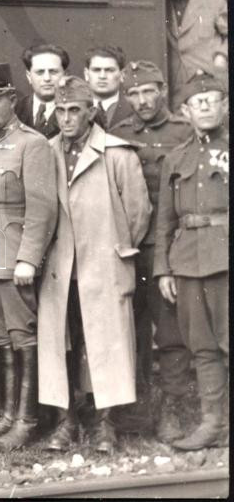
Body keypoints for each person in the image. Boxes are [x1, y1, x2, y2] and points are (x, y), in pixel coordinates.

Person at [38, 76, 151, 454]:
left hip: (103, 266)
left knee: (106, 343)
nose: (67, 118)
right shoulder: (46, 152)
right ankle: (66, 420)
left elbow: (137, 214)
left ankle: (106, 423)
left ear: (91, 112)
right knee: (62, 343)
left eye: (75, 110)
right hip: (60, 269)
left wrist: (111, 250)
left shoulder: (117, 154)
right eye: (61, 111)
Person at [0, 63, 58, 451]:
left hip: (13, 257)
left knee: (23, 336)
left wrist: (28, 258)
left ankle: (27, 420)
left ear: (12, 100)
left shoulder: (32, 144)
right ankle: (6, 414)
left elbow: (42, 207)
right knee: (0, 337)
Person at [109, 60, 194, 441]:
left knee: (171, 332)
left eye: (148, 91)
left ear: (162, 90)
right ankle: (136, 406)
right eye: (133, 93)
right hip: (130, 247)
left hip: (169, 248)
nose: (142, 100)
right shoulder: (119, 133)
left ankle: (173, 408)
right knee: (130, 330)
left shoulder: (183, 131)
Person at [154, 71, 229, 451]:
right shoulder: (176, 158)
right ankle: (214, 424)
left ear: (225, 105)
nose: (205, 107)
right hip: (186, 263)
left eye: (212, 100)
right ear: (185, 111)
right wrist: (163, 269)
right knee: (202, 346)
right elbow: (165, 220)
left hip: (225, 258)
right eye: (197, 103)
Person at [166, 0, 228, 111]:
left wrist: (222, 55)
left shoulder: (215, 1)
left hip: (210, 79)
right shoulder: (159, 0)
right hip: (175, 84)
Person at [16, 43, 69, 139]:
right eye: (40, 72)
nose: (47, 78)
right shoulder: (15, 110)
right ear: (29, 77)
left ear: (65, 75)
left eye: (53, 72)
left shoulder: (76, 111)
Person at [84, 45, 133, 130]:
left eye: (109, 70)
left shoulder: (133, 110)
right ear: (86, 74)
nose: (102, 76)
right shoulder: (76, 110)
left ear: (122, 75)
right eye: (96, 70)